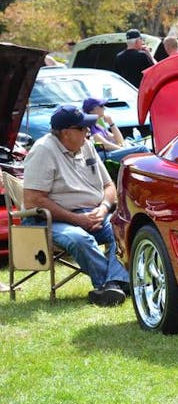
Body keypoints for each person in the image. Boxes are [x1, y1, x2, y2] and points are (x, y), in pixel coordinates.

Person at [22, 104, 130, 306]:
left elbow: (109, 186)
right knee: (79, 238)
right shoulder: (43, 150)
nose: (87, 131)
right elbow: (33, 200)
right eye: (82, 128)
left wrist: (104, 207)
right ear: (65, 133)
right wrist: (77, 219)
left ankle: (113, 284)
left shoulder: (86, 145)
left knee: (123, 228)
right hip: (49, 220)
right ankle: (115, 285)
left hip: (93, 214)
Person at [82, 97, 149, 162]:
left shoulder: (98, 126)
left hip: (110, 152)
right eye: (101, 106)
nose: (104, 108)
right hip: (104, 156)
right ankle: (155, 171)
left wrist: (111, 123)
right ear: (91, 110)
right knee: (142, 149)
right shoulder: (89, 127)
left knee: (137, 146)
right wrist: (126, 150)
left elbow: (119, 141)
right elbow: (106, 145)